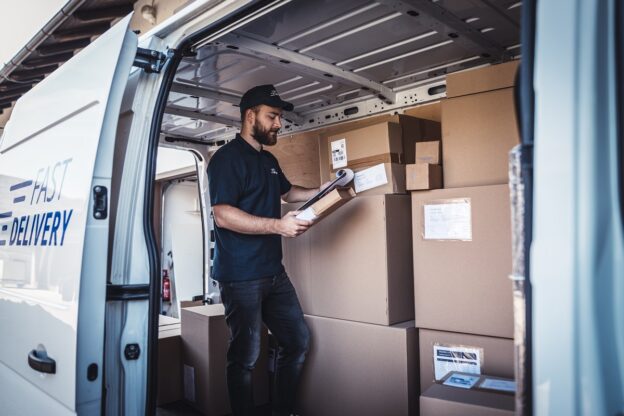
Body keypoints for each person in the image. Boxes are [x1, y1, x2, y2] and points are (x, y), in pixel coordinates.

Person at [207, 84, 328, 416]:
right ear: (250, 116)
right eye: (272, 116)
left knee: (297, 342)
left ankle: (283, 410)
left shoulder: (268, 160)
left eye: (279, 117)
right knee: (245, 357)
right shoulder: (226, 160)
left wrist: (326, 189)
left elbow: (289, 194)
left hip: (273, 274)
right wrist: (278, 226)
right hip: (241, 277)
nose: (278, 124)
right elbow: (223, 214)